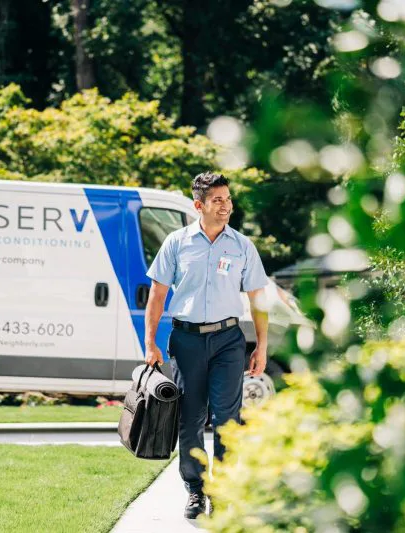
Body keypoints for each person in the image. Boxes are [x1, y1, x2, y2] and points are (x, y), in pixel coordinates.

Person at [144, 171, 269, 519]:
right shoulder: (176, 243)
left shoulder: (242, 245)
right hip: (186, 341)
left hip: (229, 340)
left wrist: (261, 345)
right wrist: (150, 343)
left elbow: (258, 298)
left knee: (229, 419)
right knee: (191, 418)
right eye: (218, 200)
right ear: (199, 205)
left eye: (228, 199)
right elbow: (157, 294)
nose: (226, 206)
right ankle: (196, 491)